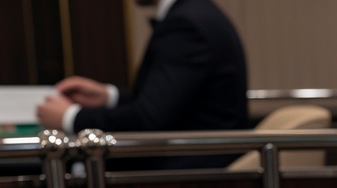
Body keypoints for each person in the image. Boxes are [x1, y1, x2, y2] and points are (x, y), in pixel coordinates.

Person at [37, 0, 247, 168]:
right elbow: (171, 102)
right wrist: (110, 97)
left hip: (191, 175)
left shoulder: (186, 23)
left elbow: (148, 119)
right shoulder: (194, 11)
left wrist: (71, 117)